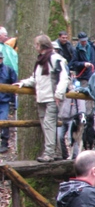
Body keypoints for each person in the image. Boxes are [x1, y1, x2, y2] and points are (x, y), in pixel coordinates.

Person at [15, 34, 69, 162]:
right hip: (42, 98)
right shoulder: (40, 61)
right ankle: (56, 151)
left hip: (51, 98)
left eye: (36, 44)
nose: (35, 47)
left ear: (41, 45)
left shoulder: (56, 59)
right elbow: (35, 79)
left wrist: (58, 94)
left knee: (49, 125)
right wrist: (23, 83)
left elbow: (64, 77)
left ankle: (49, 153)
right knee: (47, 126)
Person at [0, 50, 17, 154]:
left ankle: (4, 143)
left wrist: (13, 102)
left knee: (4, 121)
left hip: (4, 101)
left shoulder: (9, 70)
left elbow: (14, 85)